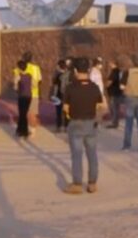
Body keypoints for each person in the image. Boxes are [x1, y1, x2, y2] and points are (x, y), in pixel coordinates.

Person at [63, 57, 106, 195]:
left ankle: (77, 184)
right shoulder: (94, 87)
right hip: (91, 123)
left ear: (75, 70)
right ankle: (92, 183)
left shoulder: (70, 88)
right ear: (88, 70)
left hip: (75, 123)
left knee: (77, 155)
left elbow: (65, 108)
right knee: (92, 154)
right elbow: (100, 106)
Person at [15, 52, 42, 136]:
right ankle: (32, 130)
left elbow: (16, 84)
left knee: (23, 113)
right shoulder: (36, 68)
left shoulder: (18, 68)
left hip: (22, 94)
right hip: (33, 93)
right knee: (33, 113)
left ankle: (22, 130)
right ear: (31, 58)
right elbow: (39, 81)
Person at [15, 60, 33, 139]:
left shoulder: (18, 76)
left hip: (21, 96)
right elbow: (33, 85)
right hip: (29, 96)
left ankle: (22, 131)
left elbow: (15, 87)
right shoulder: (30, 75)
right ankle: (20, 130)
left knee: (22, 113)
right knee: (25, 113)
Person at [105, 59, 125, 129]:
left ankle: (114, 122)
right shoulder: (120, 71)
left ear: (113, 63)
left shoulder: (114, 71)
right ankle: (116, 122)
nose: (109, 65)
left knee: (113, 108)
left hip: (113, 92)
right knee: (117, 108)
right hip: (118, 92)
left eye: (110, 63)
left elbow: (110, 81)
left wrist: (106, 86)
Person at [51, 60, 67, 133]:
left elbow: (54, 82)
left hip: (58, 95)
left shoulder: (58, 74)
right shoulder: (68, 74)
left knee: (58, 111)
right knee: (66, 111)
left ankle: (59, 126)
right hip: (67, 95)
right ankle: (66, 126)